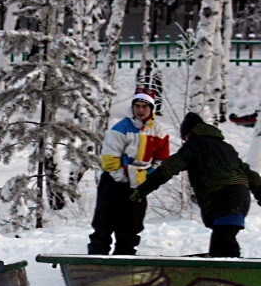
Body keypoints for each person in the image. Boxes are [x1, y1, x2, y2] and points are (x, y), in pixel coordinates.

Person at [131, 112, 261, 258]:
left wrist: (143, 189)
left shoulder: (194, 145)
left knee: (224, 241)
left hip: (223, 197)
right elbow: (251, 175)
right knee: (224, 238)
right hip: (241, 196)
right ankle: (225, 266)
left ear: (188, 133)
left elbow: (169, 168)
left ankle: (232, 271)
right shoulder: (226, 147)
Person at [87, 87, 169, 255]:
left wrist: (148, 177)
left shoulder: (159, 133)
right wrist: (121, 177)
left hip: (139, 184)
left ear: (151, 109)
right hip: (114, 182)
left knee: (131, 225)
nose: (140, 110)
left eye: (144, 107)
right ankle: (97, 258)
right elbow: (110, 157)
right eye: (137, 106)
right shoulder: (120, 128)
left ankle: (125, 258)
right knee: (104, 222)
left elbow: (161, 161)